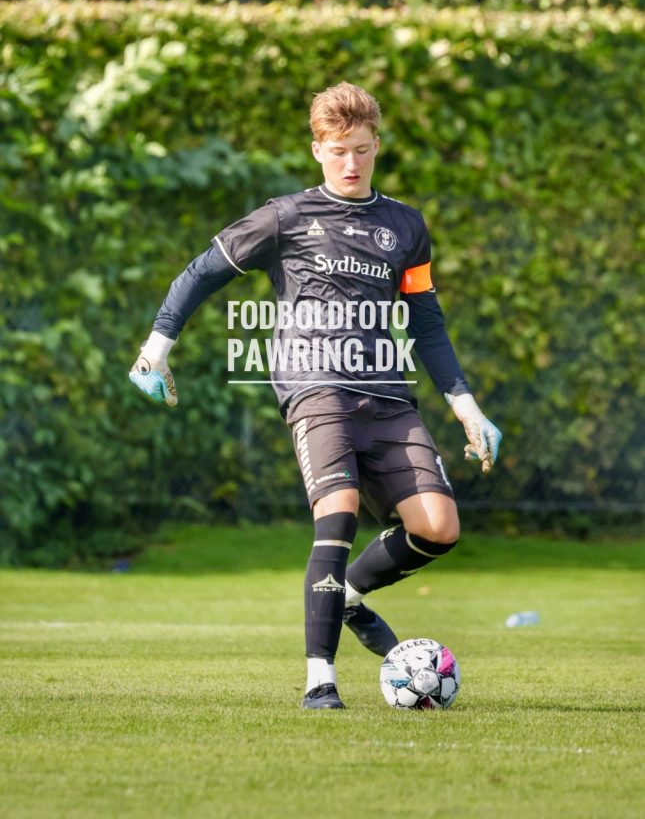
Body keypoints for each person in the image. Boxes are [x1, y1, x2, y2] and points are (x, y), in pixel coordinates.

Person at [129, 82, 502, 710]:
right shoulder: (286, 216)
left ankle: (347, 596)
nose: (350, 163)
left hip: (387, 395)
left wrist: (468, 408)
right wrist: (154, 352)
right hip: (314, 387)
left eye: (361, 149)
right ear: (317, 150)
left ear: (377, 145)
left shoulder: (406, 226)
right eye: (337, 151)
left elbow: (427, 323)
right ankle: (319, 681)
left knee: (438, 528)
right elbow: (201, 272)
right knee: (339, 510)